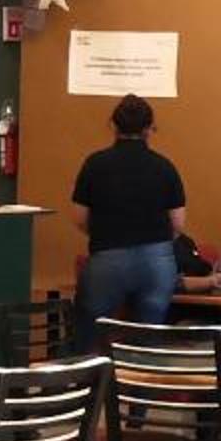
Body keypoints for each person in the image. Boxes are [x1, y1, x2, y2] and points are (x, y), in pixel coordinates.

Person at [72, 94, 189, 344]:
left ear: (113, 125)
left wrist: (106, 234)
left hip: (107, 258)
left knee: (89, 336)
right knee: (148, 339)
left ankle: (88, 367)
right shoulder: (164, 167)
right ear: (149, 128)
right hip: (156, 260)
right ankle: (142, 368)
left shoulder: (95, 164)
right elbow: (178, 223)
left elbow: (80, 218)